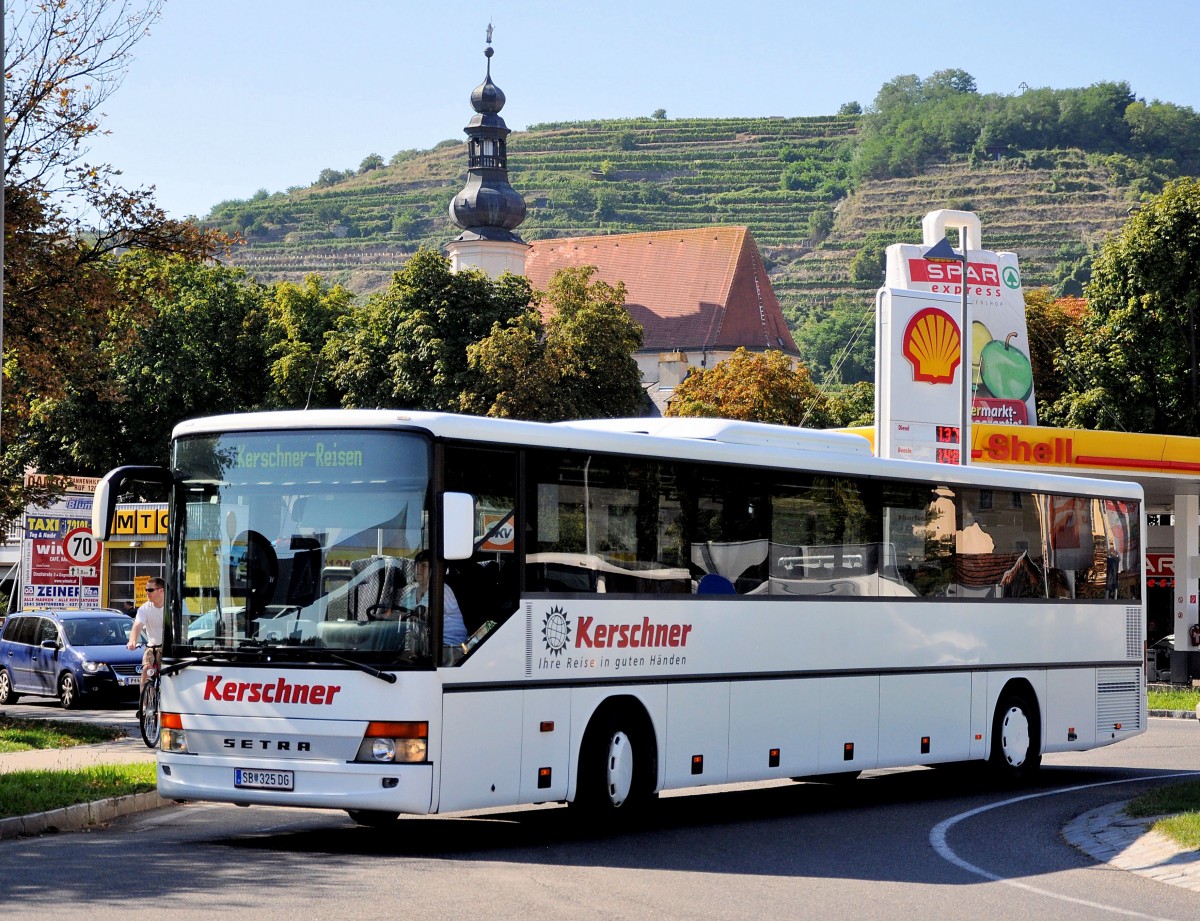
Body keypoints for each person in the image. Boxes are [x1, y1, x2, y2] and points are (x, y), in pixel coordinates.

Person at [400, 550, 468, 663]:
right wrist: (385, 617)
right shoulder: (411, 593)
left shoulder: (442, 590)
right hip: (427, 645)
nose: (419, 569)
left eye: (424, 566)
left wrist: (402, 616)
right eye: (416, 565)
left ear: (432, 570)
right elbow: (401, 613)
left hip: (450, 649)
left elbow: (424, 614)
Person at [127, 578, 166, 701]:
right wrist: (132, 640)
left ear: (161, 590)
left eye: (150, 590)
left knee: (169, 675)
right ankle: (144, 705)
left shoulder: (172, 606)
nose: (147, 593)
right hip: (152, 646)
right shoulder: (144, 608)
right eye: (146, 590)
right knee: (145, 669)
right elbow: (137, 625)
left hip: (168, 647)